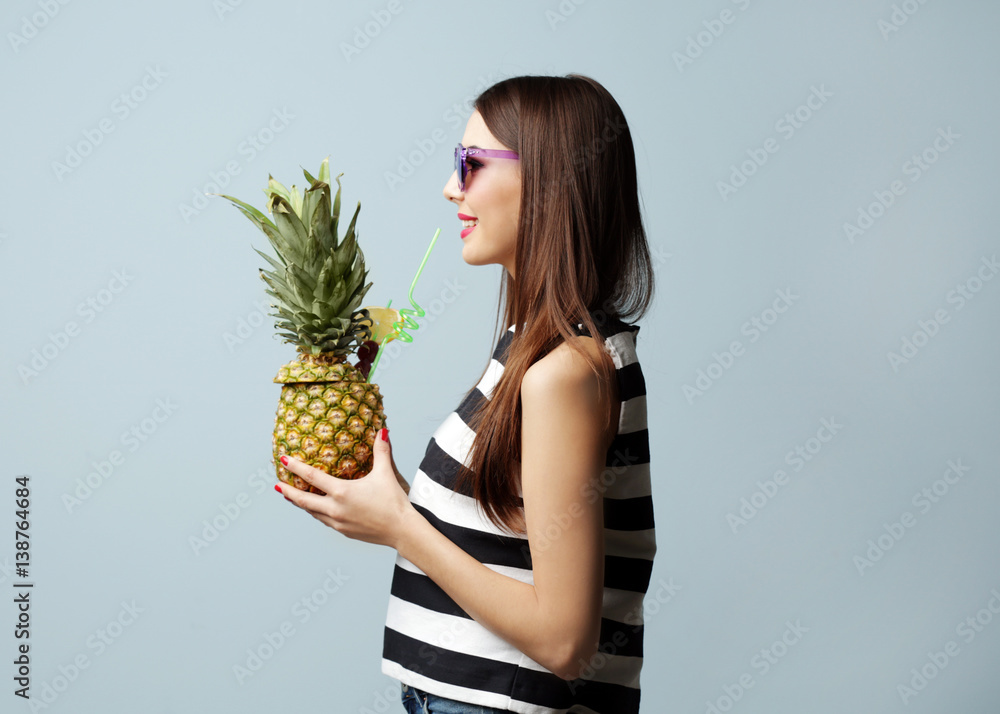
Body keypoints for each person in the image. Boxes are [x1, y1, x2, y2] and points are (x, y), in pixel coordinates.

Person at [277, 73, 656, 714]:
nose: (452, 187)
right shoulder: (531, 346)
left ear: (549, 181)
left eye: (471, 164)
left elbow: (565, 641)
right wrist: (391, 500)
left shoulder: (562, 371)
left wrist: (400, 526)